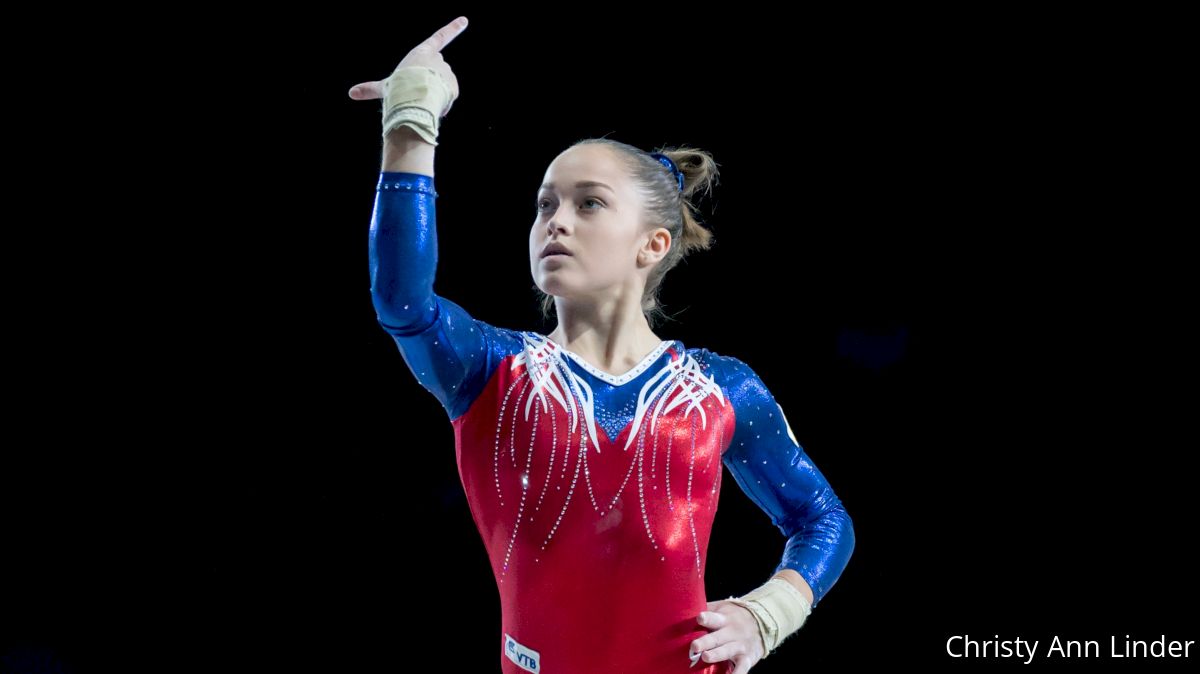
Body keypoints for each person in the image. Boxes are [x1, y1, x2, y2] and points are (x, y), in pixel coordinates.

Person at [350, 16, 854, 674]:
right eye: (544, 204)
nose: (555, 221)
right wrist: (411, 123)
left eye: (588, 204)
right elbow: (403, 301)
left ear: (653, 245)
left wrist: (770, 613)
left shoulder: (719, 391)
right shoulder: (491, 369)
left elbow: (823, 518)